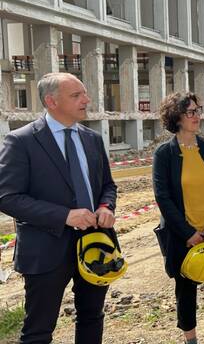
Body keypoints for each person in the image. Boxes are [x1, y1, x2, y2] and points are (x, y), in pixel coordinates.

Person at [0, 72, 117, 343]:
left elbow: (108, 185)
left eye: (84, 94)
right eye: (76, 95)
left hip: (95, 243)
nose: (86, 100)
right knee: (38, 331)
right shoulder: (22, 141)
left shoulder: (92, 139)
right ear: (51, 101)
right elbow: (8, 197)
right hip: (45, 248)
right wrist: (64, 216)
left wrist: (105, 206)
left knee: (92, 317)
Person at [152, 92, 204, 344]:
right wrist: (188, 233)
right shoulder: (164, 154)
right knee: (186, 290)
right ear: (176, 117)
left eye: (198, 110)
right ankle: (191, 339)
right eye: (191, 112)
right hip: (183, 236)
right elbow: (163, 197)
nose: (197, 116)